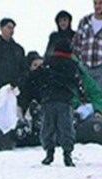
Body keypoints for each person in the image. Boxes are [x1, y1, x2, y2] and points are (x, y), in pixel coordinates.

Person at [27, 36, 82, 166]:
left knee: (48, 126)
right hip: (64, 100)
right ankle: (67, 154)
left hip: (48, 99)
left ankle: (49, 153)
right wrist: (81, 95)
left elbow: (34, 78)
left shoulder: (47, 63)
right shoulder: (71, 64)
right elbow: (77, 82)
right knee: (66, 128)